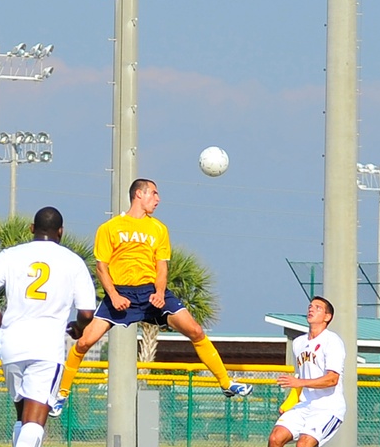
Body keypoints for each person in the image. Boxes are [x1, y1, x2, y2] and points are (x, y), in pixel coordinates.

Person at [51, 178, 251, 417]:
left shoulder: (159, 228)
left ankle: (226, 383)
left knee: (195, 331)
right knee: (83, 343)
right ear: (139, 194)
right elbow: (101, 267)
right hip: (121, 293)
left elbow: (162, 267)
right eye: (154, 193)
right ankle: (60, 394)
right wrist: (113, 295)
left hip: (151, 293)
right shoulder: (110, 228)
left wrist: (158, 293)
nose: (158, 199)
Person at [0, 206, 96, 447]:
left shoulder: (11, 256)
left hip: (12, 344)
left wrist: (3, 322)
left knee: (22, 418)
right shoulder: (72, 261)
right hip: (47, 346)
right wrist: (78, 329)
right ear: (61, 231)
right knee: (36, 420)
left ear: (32, 228)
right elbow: (86, 313)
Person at [257, 296, 345, 447]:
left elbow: (331, 379)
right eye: (310, 306)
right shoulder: (298, 343)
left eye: (317, 308)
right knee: (275, 438)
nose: (311, 309)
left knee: (303, 445)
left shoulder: (332, 341)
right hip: (304, 404)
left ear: (327, 317)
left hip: (328, 407)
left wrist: (299, 383)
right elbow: (300, 378)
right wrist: (289, 402)